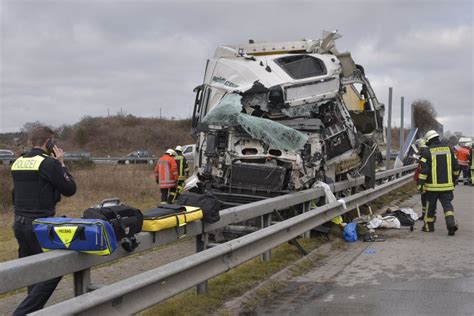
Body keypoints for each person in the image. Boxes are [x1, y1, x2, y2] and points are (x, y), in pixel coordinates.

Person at [10, 126, 77, 315]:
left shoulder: (18, 162)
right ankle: (21, 313)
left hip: (19, 224)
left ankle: (33, 312)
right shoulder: (48, 163)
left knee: (33, 272)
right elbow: (70, 188)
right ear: (49, 143)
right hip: (39, 225)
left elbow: (16, 194)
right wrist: (61, 164)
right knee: (54, 269)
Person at [417, 130, 460, 235]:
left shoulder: (427, 151)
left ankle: (428, 227)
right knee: (447, 206)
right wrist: (454, 180)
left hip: (431, 188)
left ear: (429, 140)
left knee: (430, 207)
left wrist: (421, 185)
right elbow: (456, 168)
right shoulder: (449, 150)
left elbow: (424, 171)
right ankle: (450, 224)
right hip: (447, 187)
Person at [413, 138, 428, 221]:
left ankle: (426, 215)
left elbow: (423, 168)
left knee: (425, 198)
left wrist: (420, 183)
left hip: (424, 180)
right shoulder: (427, 151)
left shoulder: (424, 152)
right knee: (428, 198)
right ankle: (426, 214)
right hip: (427, 179)